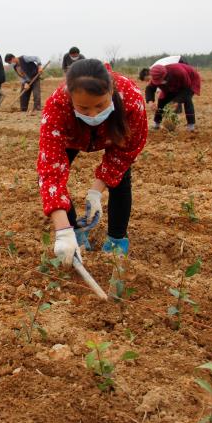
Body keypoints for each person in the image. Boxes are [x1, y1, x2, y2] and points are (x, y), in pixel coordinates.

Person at [38, 59, 147, 267]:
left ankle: (116, 242)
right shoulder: (57, 106)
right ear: (70, 98)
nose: (93, 114)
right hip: (74, 136)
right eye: (84, 108)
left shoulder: (131, 99)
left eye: (100, 105)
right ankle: (74, 236)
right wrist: (62, 230)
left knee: (121, 179)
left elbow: (125, 152)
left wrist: (96, 191)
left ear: (111, 91)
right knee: (56, 179)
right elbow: (50, 170)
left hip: (113, 135)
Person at [145, 62, 201, 132]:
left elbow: (186, 89)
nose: (158, 82)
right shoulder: (156, 76)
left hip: (190, 81)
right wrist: (150, 102)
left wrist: (177, 101)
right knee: (162, 100)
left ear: (165, 75)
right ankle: (157, 124)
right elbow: (150, 88)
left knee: (187, 100)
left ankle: (191, 126)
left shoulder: (178, 72)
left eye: (160, 80)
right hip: (172, 84)